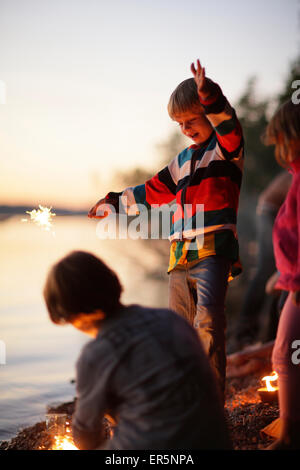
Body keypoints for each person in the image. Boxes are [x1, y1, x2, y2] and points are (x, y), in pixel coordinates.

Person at [88, 59, 244, 399]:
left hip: (212, 250)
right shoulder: (182, 161)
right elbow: (151, 191)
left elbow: (228, 123)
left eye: (193, 120)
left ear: (208, 114)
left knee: (209, 323)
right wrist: (113, 202)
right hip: (179, 257)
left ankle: (211, 400)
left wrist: (210, 96)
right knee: (179, 330)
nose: (187, 128)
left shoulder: (227, 149)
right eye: (180, 124)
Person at [43, 250, 231, 450]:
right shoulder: (171, 319)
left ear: (82, 314)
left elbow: (85, 434)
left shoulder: (96, 354)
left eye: (70, 320)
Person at [263, 99, 300, 449]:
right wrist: (282, 274)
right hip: (293, 283)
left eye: (280, 140)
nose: (278, 150)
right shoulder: (296, 176)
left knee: (287, 354)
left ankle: (290, 431)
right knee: (287, 354)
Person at [234, 171, 291, 351]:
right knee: (267, 271)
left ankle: (273, 336)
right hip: (270, 211)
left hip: (283, 213)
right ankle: (243, 333)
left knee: (284, 275)